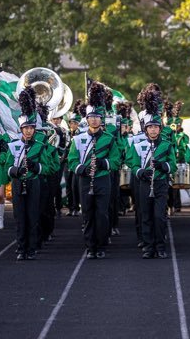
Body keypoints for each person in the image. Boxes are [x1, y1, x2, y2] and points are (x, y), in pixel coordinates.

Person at [68, 81, 120, 259]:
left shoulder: (109, 138)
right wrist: (81, 168)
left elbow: (116, 160)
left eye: (98, 117)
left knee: (102, 214)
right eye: (91, 117)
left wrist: (102, 164)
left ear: (101, 119)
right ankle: (90, 247)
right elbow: (71, 160)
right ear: (87, 119)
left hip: (102, 179)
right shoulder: (78, 139)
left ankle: (101, 244)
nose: (94, 119)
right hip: (85, 180)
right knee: (88, 215)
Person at [6, 88, 56, 261]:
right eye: (25, 128)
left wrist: (36, 167)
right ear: (21, 129)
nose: (28, 131)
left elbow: (49, 167)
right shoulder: (13, 146)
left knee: (33, 216)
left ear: (35, 129)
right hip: (18, 183)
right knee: (19, 218)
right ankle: (21, 248)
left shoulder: (40, 146)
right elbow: (7, 166)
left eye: (31, 128)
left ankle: (32, 248)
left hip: (34, 183)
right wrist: (15, 171)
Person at [126, 88, 177, 259]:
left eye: (156, 127)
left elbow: (173, 165)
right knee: (145, 216)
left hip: (161, 184)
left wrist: (163, 166)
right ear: (145, 128)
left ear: (160, 128)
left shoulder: (167, 144)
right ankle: (148, 247)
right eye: (150, 127)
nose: (153, 130)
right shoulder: (138, 144)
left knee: (159, 217)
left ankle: (160, 246)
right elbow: (131, 163)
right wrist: (140, 172)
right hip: (144, 184)